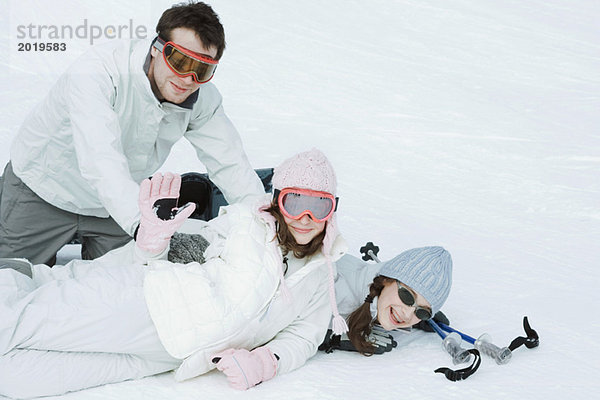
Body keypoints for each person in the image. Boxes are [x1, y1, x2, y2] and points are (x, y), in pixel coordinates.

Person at [0, 149, 348, 398]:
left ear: (332, 210)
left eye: (319, 206)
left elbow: (303, 337)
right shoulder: (244, 225)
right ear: (277, 201)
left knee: (16, 379)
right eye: (295, 202)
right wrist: (154, 239)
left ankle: (15, 282)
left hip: (172, 356)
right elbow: (182, 248)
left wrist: (265, 362)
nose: (305, 217)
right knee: (15, 322)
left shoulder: (321, 276)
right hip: (149, 306)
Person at [0, 1, 264, 266]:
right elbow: (100, 158)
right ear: (156, 48)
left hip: (115, 209)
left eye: (202, 69)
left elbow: (230, 163)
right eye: (180, 60)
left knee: (122, 289)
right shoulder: (99, 72)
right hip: (43, 190)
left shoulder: (201, 99)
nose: (188, 79)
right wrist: (141, 225)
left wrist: (264, 222)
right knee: (10, 283)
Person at [320, 246, 452, 355]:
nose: (407, 314)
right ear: (387, 279)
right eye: (407, 296)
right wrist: (331, 336)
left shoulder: (377, 292)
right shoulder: (332, 288)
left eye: (422, 312)